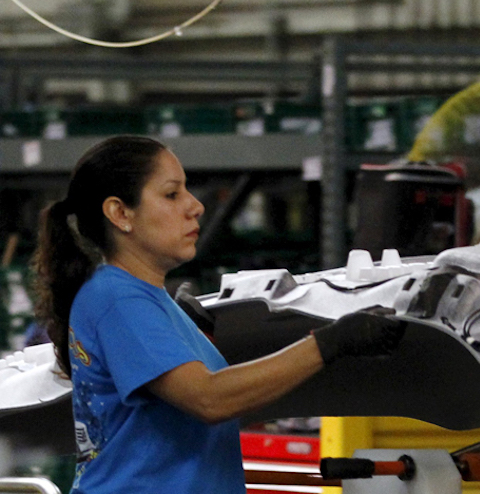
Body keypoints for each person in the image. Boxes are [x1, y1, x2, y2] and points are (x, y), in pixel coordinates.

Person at [31, 135, 407, 493]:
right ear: (119, 212)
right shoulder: (119, 300)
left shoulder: (147, 301)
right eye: (171, 193)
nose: (195, 206)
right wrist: (329, 343)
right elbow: (210, 400)